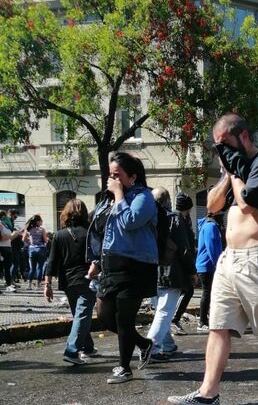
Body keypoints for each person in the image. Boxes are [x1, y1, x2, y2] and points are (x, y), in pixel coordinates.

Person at [168, 112, 258, 405]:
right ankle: (208, 393)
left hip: (256, 259)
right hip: (229, 260)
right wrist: (226, 172)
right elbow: (210, 206)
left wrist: (234, 172)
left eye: (224, 143)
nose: (221, 150)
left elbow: (247, 203)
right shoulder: (233, 169)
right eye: (216, 145)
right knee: (217, 326)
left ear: (243, 136)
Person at [88, 151, 158, 384]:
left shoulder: (144, 197)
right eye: (110, 175)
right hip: (110, 265)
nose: (112, 180)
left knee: (124, 319)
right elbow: (98, 231)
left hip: (135, 266)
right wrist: (96, 262)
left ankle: (123, 368)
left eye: (117, 175)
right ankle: (143, 343)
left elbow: (130, 221)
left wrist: (119, 194)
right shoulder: (106, 201)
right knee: (105, 317)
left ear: (132, 177)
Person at [145, 187, 197, 360]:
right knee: (165, 312)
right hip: (171, 273)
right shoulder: (173, 219)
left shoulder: (146, 219)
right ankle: (149, 348)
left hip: (151, 273)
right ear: (168, 201)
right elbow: (184, 249)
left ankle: (167, 344)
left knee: (161, 311)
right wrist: (192, 271)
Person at [44, 199, 98, 364]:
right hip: (86, 279)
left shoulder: (59, 235)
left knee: (79, 314)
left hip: (67, 282)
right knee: (82, 314)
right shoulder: (90, 232)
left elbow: (52, 262)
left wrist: (47, 285)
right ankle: (72, 351)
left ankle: (87, 347)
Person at [170, 192, 197, 335]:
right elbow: (184, 248)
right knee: (187, 290)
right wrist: (192, 271)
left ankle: (173, 320)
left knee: (184, 291)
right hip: (180, 265)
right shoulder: (179, 221)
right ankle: (173, 320)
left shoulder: (183, 220)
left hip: (180, 264)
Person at [196, 210, 224, 332]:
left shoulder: (208, 225)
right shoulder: (211, 227)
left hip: (207, 265)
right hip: (208, 265)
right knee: (207, 293)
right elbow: (212, 248)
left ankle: (207, 319)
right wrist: (219, 265)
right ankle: (202, 322)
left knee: (210, 293)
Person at [23, 215, 48, 288]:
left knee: (32, 268)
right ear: (38, 221)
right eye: (41, 220)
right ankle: (38, 285)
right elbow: (46, 240)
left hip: (32, 250)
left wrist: (29, 242)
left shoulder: (28, 229)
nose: (42, 222)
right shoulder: (42, 229)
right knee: (40, 267)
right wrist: (46, 241)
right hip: (41, 249)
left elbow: (23, 239)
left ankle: (29, 285)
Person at [0, 210, 14, 292]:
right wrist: (13, 235)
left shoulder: (5, 225)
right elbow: (2, 238)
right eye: (4, 216)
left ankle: (8, 285)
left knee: (7, 267)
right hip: (1, 248)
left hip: (7, 247)